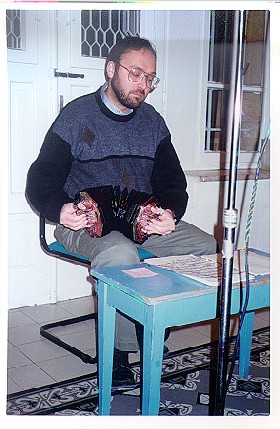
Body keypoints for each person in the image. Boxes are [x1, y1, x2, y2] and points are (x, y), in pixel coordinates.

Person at [26, 36, 217, 389]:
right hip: (82, 221)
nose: (144, 84)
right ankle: (119, 351)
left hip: (141, 220)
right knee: (120, 254)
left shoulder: (153, 122)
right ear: (111, 69)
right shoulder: (76, 116)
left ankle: (157, 320)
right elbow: (41, 176)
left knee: (206, 248)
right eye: (136, 73)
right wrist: (59, 210)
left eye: (150, 77)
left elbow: (173, 181)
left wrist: (170, 212)